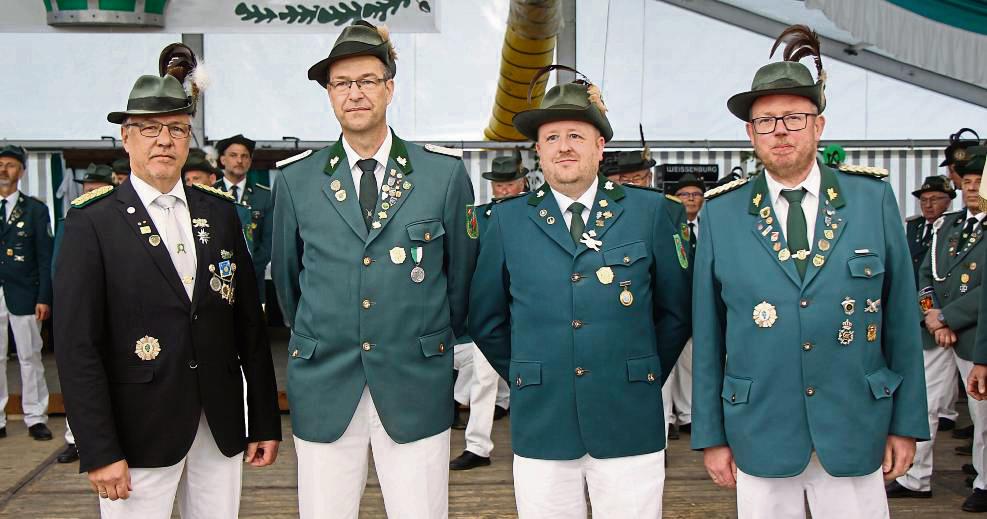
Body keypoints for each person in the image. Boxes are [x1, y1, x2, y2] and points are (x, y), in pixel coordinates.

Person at [691, 25, 928, 518]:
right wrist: (711, 435)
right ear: (750, 132)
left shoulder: (870, 199)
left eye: (794, 118)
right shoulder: (722, 213)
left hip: (856, 422)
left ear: (818, 126)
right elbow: (708, 334)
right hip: (759, 425)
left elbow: (901, 318)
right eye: (766, 120)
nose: (780, 130)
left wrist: (905, 424)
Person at [54, 43, 281, 518]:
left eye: (176, 129)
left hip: (218, 425)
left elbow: (249, 329)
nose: (164, 140)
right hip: (136, 432)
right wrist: (97, 447)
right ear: (126, 137)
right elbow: (77, 347)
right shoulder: (92, 222)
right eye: (150, 129)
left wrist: (263, 419)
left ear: (189, 137)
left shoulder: (219, 212)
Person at [271, 20, 477, 519]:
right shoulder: (297, 179)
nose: (355, 93)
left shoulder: (442, 174)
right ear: (329, 95)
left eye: (366, 80)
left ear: (389, 88)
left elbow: (461, 280)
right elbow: (286, 283)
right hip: (325, 379)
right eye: (341, 83)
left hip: (414, 377)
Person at [470, 66, 691, 518]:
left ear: (600, 146)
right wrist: (526, 374)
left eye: (576, 135)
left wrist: (641, 371)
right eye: (552, 138)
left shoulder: (652, 213)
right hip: (542, 416)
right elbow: (486, 317)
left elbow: (676, 313)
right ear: (538, 150)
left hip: (628, 415)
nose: (564, 146)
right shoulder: (506, 222)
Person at [893, 147, 987, 512]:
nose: (973, 188)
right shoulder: (948, 226)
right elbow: (925, 274)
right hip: (935, 332)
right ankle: (914, 477)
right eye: (967, 182)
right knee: (924, 405)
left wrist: (948, 317)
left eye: (979, 181)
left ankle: (984, 480)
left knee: (982, 415)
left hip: (976, 334)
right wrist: (931, 315)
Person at [451, 149, 530, 472]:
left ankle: (535, 442)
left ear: (522, 181)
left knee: (536, 378)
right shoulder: (479, 216)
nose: (503, 188)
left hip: (530, 310)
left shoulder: (538, 211)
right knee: (484, 379)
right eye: (498, 183)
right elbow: (468, 263)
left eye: (509, 182)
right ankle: (478, 446)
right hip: (495, 311)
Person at [54, 163, 114, 464]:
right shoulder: (75, 217)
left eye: (98, 188)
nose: (92, 193)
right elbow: (58, 262)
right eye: (88, 188)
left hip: (112, 310)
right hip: (79, 305)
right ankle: (75, 439)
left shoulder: (116, 220)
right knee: (79, 368)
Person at [0, 144, 54, 442]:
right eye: (0, 164)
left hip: (24, 293)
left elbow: (46, 258)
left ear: (21, 171)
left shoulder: (35, 210)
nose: (3, 170)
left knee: (29, 356)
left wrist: (44, 297)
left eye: (9, 165)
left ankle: (35, 416)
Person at [662, 172, 706, 440]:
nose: (690, 199)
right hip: (671, 302)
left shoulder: (711, 225)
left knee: (692, 360)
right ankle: (667, 419)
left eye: (696, 194)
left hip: (699, 301)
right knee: (668, 360)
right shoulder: (668, 224)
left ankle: (689, 414)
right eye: (684, 195)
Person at [212, 134, 271, 302]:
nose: (239, 160)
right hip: (219, 278)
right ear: (222, 160)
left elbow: (269, 242)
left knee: (254, 324)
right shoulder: (209, 193)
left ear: (250, 161)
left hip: (254, 277)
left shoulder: (264, 196)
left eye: (244, 156)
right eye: (233, 155)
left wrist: (250, 270)